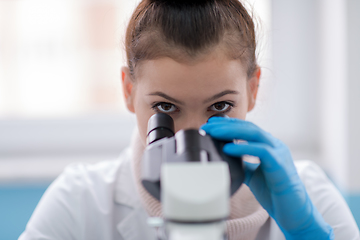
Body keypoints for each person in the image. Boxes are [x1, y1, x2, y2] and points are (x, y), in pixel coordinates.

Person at [19, 0, 359, 239]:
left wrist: (308, 235)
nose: (193, 134)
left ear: (253, 90)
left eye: (220, 107)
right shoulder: (79, 202)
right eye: (166, 109)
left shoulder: (311, 196)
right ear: (128, 90)